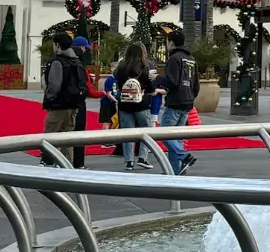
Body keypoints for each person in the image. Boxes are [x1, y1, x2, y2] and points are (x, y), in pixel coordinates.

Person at [159, 29, 200, 175]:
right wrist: (190, 97)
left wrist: (157, 79)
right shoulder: (191, 59)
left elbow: (171, 81)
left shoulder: (174, 59)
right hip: (187, 103)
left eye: (167, 41)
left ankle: (183, 155)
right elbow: (196, 84)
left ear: (171, 42)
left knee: (163, 133)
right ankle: (175, 170)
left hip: (175, 102)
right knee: (176, 136)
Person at [41, 32, 87, 158]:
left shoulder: (57, 62)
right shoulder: (76, 61)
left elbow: (54, 85)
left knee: (49, 136)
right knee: (67, 138)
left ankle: (47, 162)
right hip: (74, 104)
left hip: (59, 105)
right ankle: (67, 165)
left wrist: (49, 97)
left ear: (57, 45)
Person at [113, 43, 155, 172]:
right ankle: (143, 157)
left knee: (127, 134)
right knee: (146, 132)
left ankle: (129, 161)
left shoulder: (121, 67)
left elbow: (117, 83)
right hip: (141, 104)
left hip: (124, 104)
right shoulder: (145, 67)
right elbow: (151, 89)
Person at [71, 36, 104, 169]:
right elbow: (89, 90)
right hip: (78, 103)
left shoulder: (62, 61)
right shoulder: (80, 65)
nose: (86, 51)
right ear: (80, 48)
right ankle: (78, 163)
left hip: (63, 104)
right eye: (85, 48)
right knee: (79, 134)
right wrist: (103, 94)